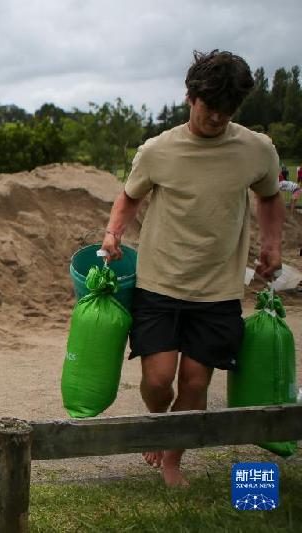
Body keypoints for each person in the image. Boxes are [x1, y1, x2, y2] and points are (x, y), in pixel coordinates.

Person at [100, 50, 283, 487]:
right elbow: (129, 195)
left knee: (197, 384)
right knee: (159, 380)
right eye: (208, 107)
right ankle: (158, 422)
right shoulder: (158, 151)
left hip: (218, 289)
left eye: (226, 110)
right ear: (189, 96)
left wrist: (273, 243)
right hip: (160, 282)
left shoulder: (257, 150)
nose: (216, 118)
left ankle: (171, 462)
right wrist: (113, 233)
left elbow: (270, 195)